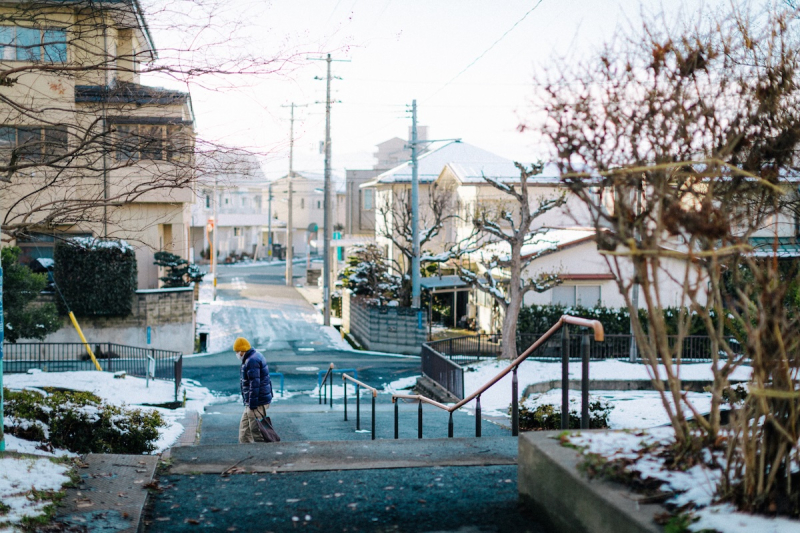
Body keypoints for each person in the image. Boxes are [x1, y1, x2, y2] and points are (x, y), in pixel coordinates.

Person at [234, 337, 273, 443]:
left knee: (257, 430)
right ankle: (245, 451)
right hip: (253, 401)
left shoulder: (251, 360)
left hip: (257, 401)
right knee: (245, 429)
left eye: (237, 351)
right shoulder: (253, 357)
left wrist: (252, 404)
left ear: (242, 350)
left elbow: (254, 384)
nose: (237, 354)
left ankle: (261, 453)